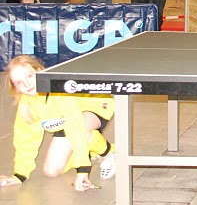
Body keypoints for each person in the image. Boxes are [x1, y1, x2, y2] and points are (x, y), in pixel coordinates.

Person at [0, 56, 116, 191]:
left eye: (30, 76)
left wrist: (83, 169)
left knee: (82, 129)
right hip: (68, 122)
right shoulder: (26, 105)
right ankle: (90, 148)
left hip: (95, 105)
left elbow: (76, 126)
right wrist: (20, 174)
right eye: (19, 82)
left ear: (39, 71)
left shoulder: (59, 93)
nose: (27, 84)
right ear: (15, 87)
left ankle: (110, 152)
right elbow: (25, 139)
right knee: (51, 171)